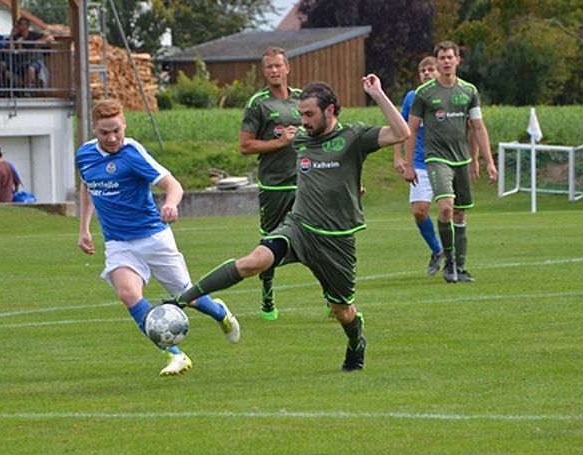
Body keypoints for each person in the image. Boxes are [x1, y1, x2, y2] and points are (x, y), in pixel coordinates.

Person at [173, 75, 410, 372]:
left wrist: (377, 94)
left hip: (335, 239)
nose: (304, 121)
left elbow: (401, 133)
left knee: (343, 311)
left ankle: (355, 341)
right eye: (301, 115)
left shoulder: (354, 137)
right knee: (253, 262)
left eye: (310, 114)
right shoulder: (299, 139)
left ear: (331, 110)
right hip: (298, 227)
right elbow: (259, 148)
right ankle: (183, 299)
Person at [76, 98, 240, 377]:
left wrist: (171, 204)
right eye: (105, 132)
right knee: (127, 293)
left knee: (188, 297)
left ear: (124, 123)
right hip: (118, 243)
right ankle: (175, 355)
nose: (112, 137)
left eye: (117, 130)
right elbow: (87, 185)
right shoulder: (85, 155)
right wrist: (83, 228)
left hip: (153, 237)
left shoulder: (133, 154)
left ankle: (220, 313)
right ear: (94, 129)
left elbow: (172, 185)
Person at [403, 41, 498, 283]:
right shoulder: (424, 94)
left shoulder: (469, 91)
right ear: (437, 62)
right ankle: (449, 262)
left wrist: (488, 161)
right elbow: (411, 130)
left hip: (462, 160)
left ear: (458, 60)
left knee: (460, 215)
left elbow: (477, 126)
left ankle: (460, 267)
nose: (446, 61)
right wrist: (408, 163)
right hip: (436, 159)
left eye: (449, 57)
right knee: (445, 207)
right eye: (442, 58)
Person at [238, 47, 301, 320]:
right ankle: (267, 296)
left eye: (278, 66)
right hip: (275, 186)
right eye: (269, 68)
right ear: (264, 72)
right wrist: (279, 143)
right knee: (271, 241)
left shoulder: (303, 99)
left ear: (287, 68)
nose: (274, 71)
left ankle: (331, 295)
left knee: (320, 239)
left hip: (306, 183)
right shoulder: (258, 103)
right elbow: (245, 146)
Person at [393, 56, 444, 275]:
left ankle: (455, 260)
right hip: (420, 163)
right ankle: (437, 250)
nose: (426, 73)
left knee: (448, 211)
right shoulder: (412, 98)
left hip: (445, 162)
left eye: (431, 69)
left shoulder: (448, 97)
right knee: (420, 211)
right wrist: (399, 157)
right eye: (423, 70)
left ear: (439, 71)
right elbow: (400, 128)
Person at [10, 17, 53, 90]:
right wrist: (11, 35)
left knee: (31, 68)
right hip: (21, 61)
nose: (18, 26)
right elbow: (11, 48)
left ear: (25, 26)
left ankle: (29, 87)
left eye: (19, 24)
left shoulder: (34, 34)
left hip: (35, 60)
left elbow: (50, 38)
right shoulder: (17, 37)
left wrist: (39, 41)